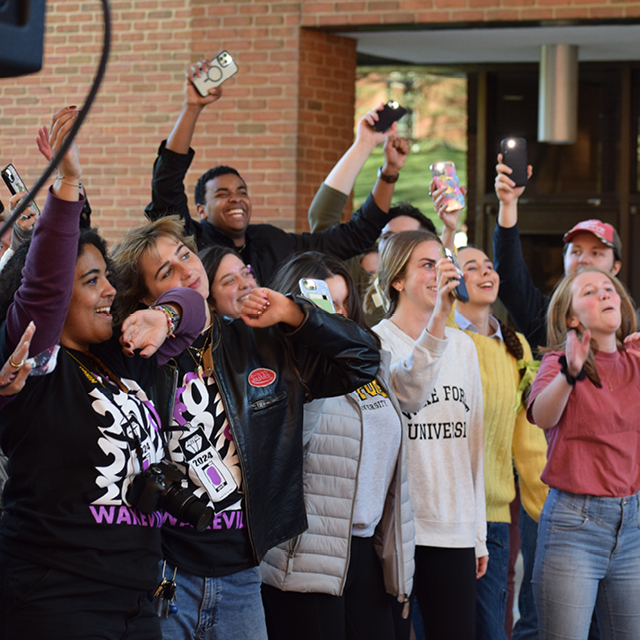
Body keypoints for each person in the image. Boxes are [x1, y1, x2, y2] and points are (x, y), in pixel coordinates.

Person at [111, 218, 381, 640]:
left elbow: (363, 360)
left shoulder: (263, 341)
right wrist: (165, 317)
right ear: (145, 296)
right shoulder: (138, 355)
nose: (186, 270)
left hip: (243, 576)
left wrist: (296, 313)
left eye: (185, 255)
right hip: (164, 573)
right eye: (166, 272)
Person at [0, 107, 207, 640]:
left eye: (107, 277)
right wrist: (68, 182)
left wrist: (165, 316)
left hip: (137, 597)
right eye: (92, 281)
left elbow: (196, 304)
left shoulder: (117, 359)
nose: (110, 290)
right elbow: (42, 287)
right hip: (59, 596)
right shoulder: (35, 365)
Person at [261, 251, 429, 640]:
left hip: (365, 550)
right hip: (307, 558)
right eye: (322, 304)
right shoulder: (288, 371)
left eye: (342, 303)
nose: (335, 314)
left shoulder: (369, 363)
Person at [144, 61, 409, 286]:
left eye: (242, 192)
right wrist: (193, 107)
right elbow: (167, 184)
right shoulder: (189, 244)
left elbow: (353, 237)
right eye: (222, 194)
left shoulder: (272, 242)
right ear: (201, 210)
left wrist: (389, 172)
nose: (236, 199)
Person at [368, 229, 487, 640]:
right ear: (397, 279)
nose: (440, 272)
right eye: (427, 264)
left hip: (453, 527)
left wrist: (478, 533)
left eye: (443, 263)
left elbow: (474, 447)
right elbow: (407, 394)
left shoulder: (464, 347)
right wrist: (438, 320)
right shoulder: (375, 344)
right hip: (396, 530)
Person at [527, 267, 640, 640]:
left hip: (632, 524)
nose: (606, 294)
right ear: (571, 316)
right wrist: (571, 373)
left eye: (609, 288)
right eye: (591, 291)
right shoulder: (558, 363)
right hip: (574, 525)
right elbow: (542, 414)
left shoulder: (636, 360)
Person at [493, 156, 622, 356]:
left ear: (616, 268)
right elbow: (509, 275)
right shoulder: (545, 316)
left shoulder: (632, 327)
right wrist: (508, 204)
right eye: (576, 251)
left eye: (596, 253)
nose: (583, 260)